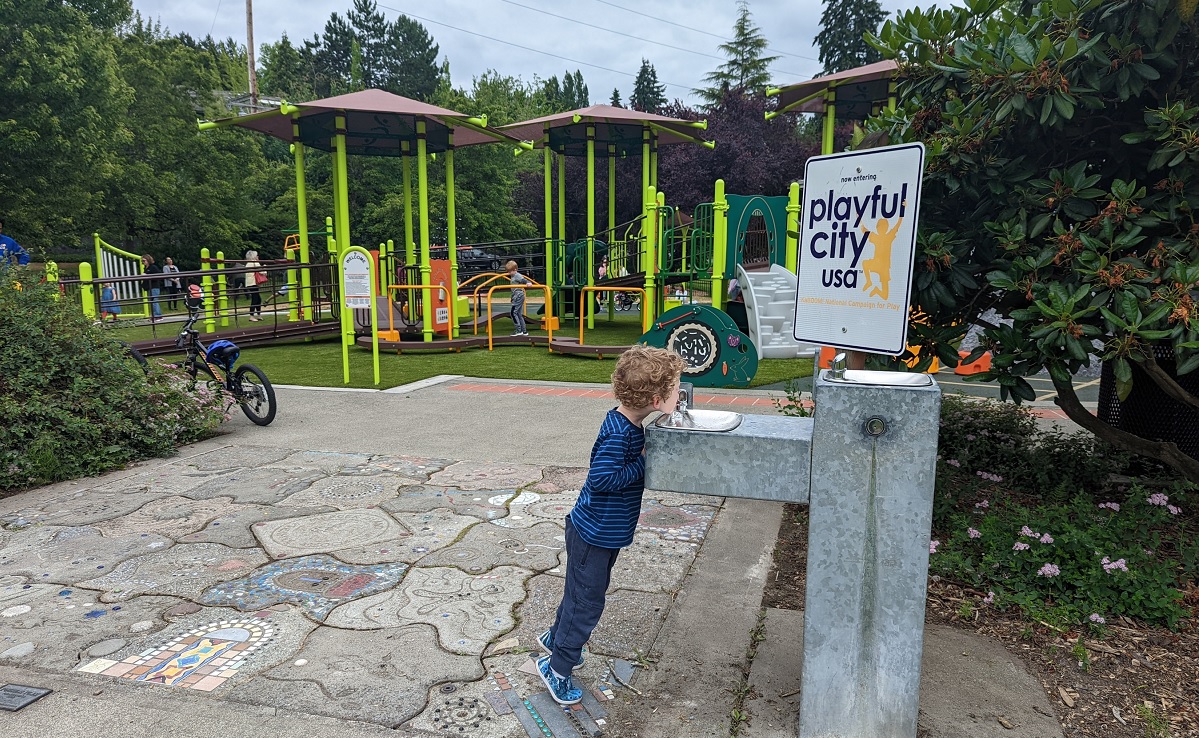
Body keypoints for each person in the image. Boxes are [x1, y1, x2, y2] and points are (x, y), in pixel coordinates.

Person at [536, 345, 685, 704]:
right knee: (586, 604)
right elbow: (602, 479)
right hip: (594, 535)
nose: (680, 394)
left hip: (599, 531)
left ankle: (557, 638)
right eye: (676, 389)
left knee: (579, 594)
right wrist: (645, 461)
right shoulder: (622, 434)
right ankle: (557, 668)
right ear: (655, 398)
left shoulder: (625, 421)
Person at [505, 260, 531, 336]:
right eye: (508, 272)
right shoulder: (513, 276)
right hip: (516, 295)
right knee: (518, 314)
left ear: (515, 269)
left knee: (513, 313)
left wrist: (528, 283)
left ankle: (518, 330)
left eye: (510, 271)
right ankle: (524, 331)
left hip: (519, 295)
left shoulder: (517, 275)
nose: (509, 273)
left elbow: (523, 280)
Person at [141, 254, 163, 321]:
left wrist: (147, 275)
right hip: (150, 287)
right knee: (153, 301)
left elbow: (158, 276)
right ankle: (157, 315)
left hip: (154, 287)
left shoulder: (153, 267)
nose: (143, 262)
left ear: (148, 260)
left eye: (144, 260)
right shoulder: (146, 268)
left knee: (154, 301)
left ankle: (157, 315)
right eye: (142, 261)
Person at [244, 249, 263, 321]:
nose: (258, 256)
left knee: (257, 298)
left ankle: (258, 315)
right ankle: (252, 316)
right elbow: (261, 271)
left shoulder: (248, 263)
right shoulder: (254, 262)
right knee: (255, 299)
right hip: (253, 283)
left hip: (250, 283)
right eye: (256, 255)